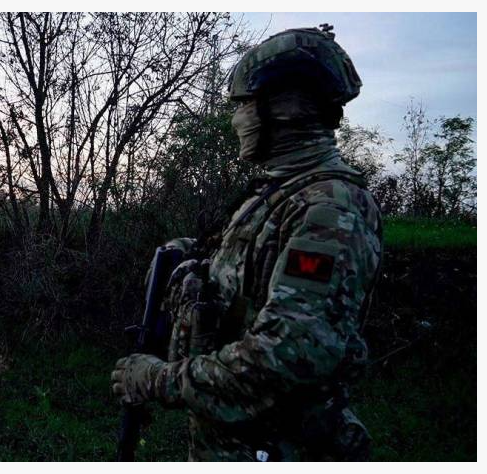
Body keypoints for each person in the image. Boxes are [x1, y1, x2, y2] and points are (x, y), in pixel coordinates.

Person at [110, 25, 383, 461]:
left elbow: (285, 359)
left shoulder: (331, 210)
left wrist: (158, 379)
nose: (235, 120)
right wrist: (190, 258)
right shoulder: (279, 195)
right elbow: (247, 275)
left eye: (241, 106)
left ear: (283, 109)